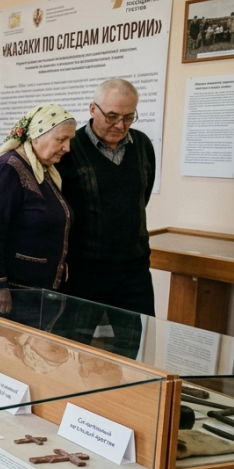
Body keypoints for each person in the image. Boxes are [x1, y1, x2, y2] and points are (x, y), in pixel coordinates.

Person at [58, 78, 156, 316]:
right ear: (93, 109)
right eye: (112, 116)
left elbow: (141, 197)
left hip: (135, 270)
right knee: (74, 346)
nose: (120, 125)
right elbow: (59, 207)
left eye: (128, 117)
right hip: (84, 271)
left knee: (136, 346)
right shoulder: (71, 148)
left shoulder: (142, 144)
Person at [0, 104, 75, 321]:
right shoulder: (8, 169)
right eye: (61, 139)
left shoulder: (43, 170)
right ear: (37, 136)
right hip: (7, 292)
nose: (67, 148)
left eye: (69, 140)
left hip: (32, 291)